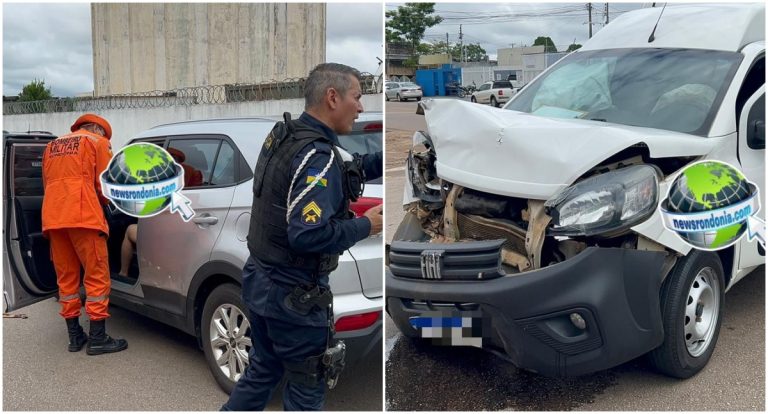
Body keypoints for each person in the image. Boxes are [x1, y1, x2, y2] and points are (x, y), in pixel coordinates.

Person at [222, 63, 383, 411]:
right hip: (293, 299)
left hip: (261, 282)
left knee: (262, 371)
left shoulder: (285, 136)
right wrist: (366, 225)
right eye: (356, 97)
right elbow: (308, 235)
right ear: (332, 97)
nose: (360, 106)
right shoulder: (316, 155)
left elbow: (346, 168)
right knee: (306, 387)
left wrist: (385, 160)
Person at [42, 113, 128, 355]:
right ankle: (98, 338)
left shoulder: (52, 146)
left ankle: (74, 336)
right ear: (100, 131)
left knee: (67, 281)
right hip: (84, 218)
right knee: (96, 277)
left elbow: (47, 183)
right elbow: (105, 185)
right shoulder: (97, 143)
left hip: (54, 219)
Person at [115, 147, 202, 279]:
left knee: (130, 230)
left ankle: (123, 273)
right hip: (186, 232)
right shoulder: (192, 175)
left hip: (162, 235)